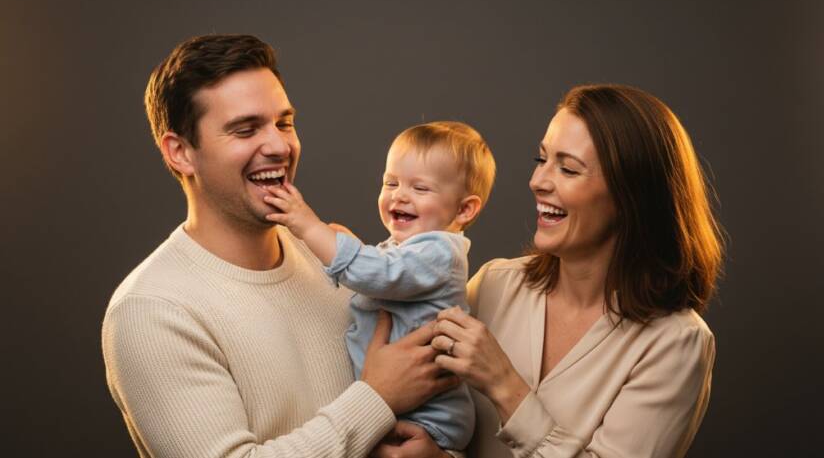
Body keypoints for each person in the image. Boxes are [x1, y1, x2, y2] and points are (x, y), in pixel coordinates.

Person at [101, 34, 459, 458]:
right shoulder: (152, 310)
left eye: (284, 123)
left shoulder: (333, 257)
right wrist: (377, 398)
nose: (279, 146)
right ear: (180, 152)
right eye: (246, 129)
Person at [427, 84, 723, 457]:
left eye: (568, 169)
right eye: (541, 160)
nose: (538, 182)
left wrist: (505, 385)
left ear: (630, 197)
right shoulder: (495, 284)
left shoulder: (676, 343)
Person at [261, 121, 497, 451]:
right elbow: (386, 275)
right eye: (391, 183)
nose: (400, 195)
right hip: (393, 405)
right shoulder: (405, 250)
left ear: (464, 209)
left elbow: (382, 275)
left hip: (431, 418)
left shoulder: (442, 253)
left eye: (421, 188)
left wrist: (310, 227)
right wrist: (355, 248)